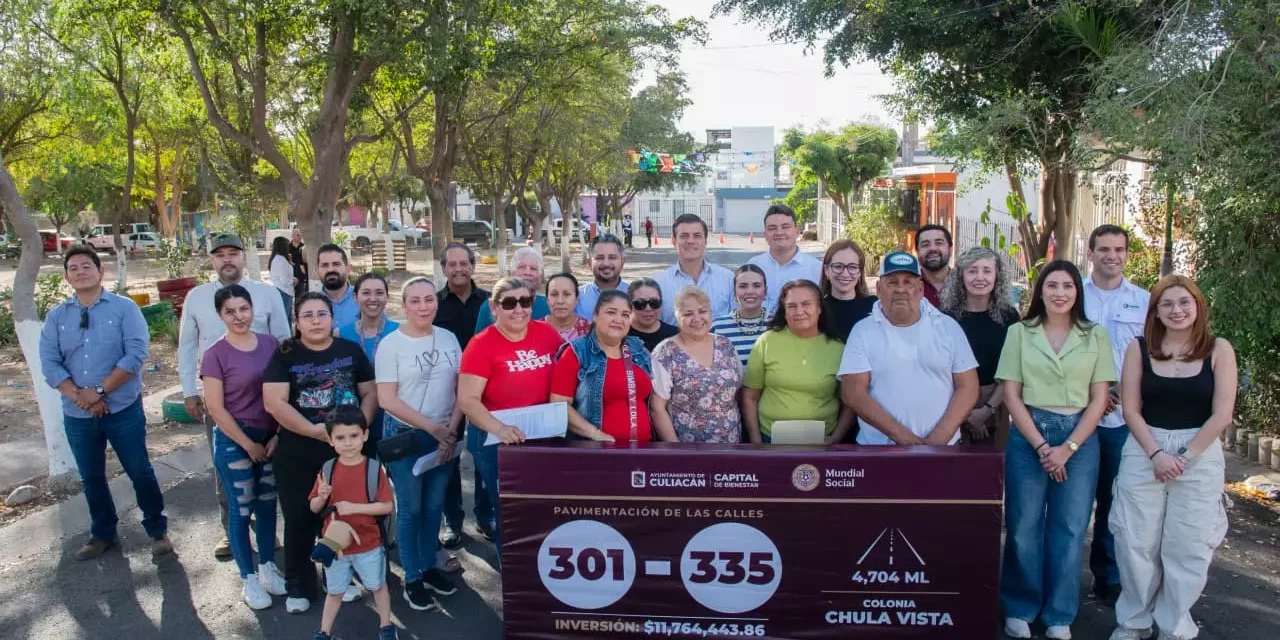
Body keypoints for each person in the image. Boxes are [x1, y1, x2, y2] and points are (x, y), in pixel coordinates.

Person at [1108, 276, 1235, 640]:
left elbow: (1222, 413)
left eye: (1184, 302)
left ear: (1198, 307)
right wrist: (1157, 453)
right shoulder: (1139, 348)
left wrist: (1183, 457)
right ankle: (1133, 621)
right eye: (1167, 304)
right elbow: (1131, 409)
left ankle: (1174, 624)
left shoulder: (1219, 349)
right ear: (1156, 312)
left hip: (1199, 450)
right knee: (1135, 542)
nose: (1177, 310)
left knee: (1189, 546)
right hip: (1145, 446)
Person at [996, 260, 1117, 640]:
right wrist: (1043, 445)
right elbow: (1011, 396)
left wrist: (1068, 448)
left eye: (1067, 285)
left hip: (1079, 437)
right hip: (1030, 434)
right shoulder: (1020, 332)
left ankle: (1059, 614)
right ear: (1040, 291)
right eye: (1052, 286)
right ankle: (1019, 606)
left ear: (1077, 292)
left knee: (1069, 528)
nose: (1060, 293)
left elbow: (1100, 400)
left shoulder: (1094, 335)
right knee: (1022, 527)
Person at [39, 247, 173, 560]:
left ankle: (157, 529)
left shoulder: (125, 308)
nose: (80, 271)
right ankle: (102, 533)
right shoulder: (57, 316)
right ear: (66, 277)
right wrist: (81, 397)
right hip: (78, 414)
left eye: (87, 265)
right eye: (73, 268)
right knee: (91, 477)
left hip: (122, 408)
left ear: (101, 272)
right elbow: (49, 362)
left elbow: (136, 353)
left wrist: (99, 391)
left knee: (139, 470)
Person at [263, 293, 377, 613]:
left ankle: (336, 578)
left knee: (337, 516)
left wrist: (357, 428)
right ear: (297, 321)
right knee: (300, 518)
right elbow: (274, 402)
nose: (315, 320)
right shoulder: (285, 354)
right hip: (298, 450)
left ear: (331, 318)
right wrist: (314, 431)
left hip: (345, 451)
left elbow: (369, 392)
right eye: (308, 315)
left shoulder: (349, 351)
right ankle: (299, 585)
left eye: (322, 314)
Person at [179, 232, 290, 559]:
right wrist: (188, 391)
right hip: (220, 401)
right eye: (220, 254)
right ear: (211, 260)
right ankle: (231, 529)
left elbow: (283, 341)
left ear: (245, 256)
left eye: (233, 253)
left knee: (268, 467)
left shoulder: (268, 294)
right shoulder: (197, 297)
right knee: (227, 469)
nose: (227, 259)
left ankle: (269, 529)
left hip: (267, 399)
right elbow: (186, 345)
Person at [375, 277, 465, 609]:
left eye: (429, 299)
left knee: (433, 507)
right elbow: (387, 399)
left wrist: (451, 430)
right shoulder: (391, 344)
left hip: (446, 435)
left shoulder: (448, 338)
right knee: (411, 509)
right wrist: (433, 429)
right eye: (415, 301)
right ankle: (411, 575)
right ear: (404, 304)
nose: (423, 306)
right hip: (407, 436)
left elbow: (461, 389)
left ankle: (428, 566)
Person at [457, 278, 564, 552]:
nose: (519, 310)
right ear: (494, 307)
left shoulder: (547, 333)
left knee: (545, 508)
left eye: (525, 302)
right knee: (511, 511)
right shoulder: (481, 345)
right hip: (499, 442)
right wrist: (499, 429)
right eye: (509, 303)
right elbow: (468, 399)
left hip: (542, 437)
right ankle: (516, 575)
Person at [200, 284, 287, 608]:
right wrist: (248, 444)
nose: (239, 317)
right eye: (230, 311)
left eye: (244, 309)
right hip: (236, 441)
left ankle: (267, 568)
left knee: (267, 504)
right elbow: (216, 408)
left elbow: (283, 393)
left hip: (270, 438)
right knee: (241, 508)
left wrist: (277, 434)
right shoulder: (215, 354)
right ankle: (248, 579)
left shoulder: (270, 345)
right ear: (221, 315)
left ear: (253, 310)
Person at [838, 251, 979, 445]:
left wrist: (938, 439)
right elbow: (853, 393)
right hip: (879, 451)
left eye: (908, 282)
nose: (900, 289)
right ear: (879, 288)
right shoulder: (863, 331)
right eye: (892, 282)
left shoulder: (947, 327)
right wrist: (903, 438)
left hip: (943, 448)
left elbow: (968, 387)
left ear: (920, 289)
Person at [1083, 224, 1150, 605]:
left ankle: (1107, 576)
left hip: (1123, 418)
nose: (1112, 255)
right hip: (1076, 414)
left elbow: (1150, 356)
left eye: (1119, 249)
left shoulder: (1144, 301)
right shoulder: (1072, 294)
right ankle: (1060, 577)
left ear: (1126, 254)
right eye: (1104, 248)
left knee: (1114, 500)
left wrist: (1116, 394)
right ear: (1090, 253)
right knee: (1071, 504)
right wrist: (1092, 397)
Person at [307, 407, 397, 640]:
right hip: (335, 546)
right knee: (335, 591)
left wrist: (355, 507)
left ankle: (386, 626)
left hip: (368, 543)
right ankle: (324, 632)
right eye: (340, 438)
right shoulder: (327, 469)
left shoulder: (375, 469)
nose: (348, 443)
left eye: (354, 436)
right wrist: (322, 496)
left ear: (365, 435)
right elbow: (313, 508)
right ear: (330, 440)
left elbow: (387, 506)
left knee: (377, 586)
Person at [433, 242, 495, 548]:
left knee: (485, 454)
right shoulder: (433, 304)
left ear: (473, 266)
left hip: (487, 391)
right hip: (446, 391)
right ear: (443, 268)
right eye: (452, 264)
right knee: (449, 453)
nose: (458, 268)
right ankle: (452, 520)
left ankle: (486, 515)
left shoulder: (490, 302)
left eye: (464, 263)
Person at [742, 280, 853, 445]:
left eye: (806, 304)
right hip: (770, 440)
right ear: (784, 312)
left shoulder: (839, 349)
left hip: (823, 442)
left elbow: (850, 402)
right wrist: (756, 441)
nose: (799, 311)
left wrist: (836, 437)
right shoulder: (766, 342)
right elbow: (750, 396)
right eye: (792, 306)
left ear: (819, 308)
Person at [939, 246, 1021, 448]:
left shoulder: (1009, 317)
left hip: (998, 403)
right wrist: (966, 413)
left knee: (993, 471)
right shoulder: (946, 318)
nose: (980, 277)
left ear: (996, 276)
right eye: (972, 271)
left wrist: (987, 410)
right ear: (961, 277)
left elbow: (1013, 368)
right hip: (952, 403)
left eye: (987, 271)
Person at [650, 286, 741, 443]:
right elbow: (657, 408)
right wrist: (676, 451)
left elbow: (738, 391)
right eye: (688, 314)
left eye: (702, 311)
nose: (697, 318)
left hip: (732, 445)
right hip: (688, 451)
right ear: (677, 317)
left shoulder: (726, 345)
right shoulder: (665, 352)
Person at [337, 272, 399, 458]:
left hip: (394, 416)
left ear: (387, 297)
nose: (373, 299)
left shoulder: (399, 332)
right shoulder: (340, 334)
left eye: (379, 293)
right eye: (366, 293)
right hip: (355, 418)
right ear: (355, 297)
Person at [655, 214, 735, 324]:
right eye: (684, 236)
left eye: (697, 236)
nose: (691, 241)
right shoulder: (659, 284)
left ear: (705, 241)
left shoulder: (728, 278)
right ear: (673, 241)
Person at [747, 204, 822, 314]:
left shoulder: (816, 268)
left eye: (785, 227)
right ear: (765, 234)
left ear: (797, 232)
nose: (779, 232)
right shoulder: (753, 266)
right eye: (772, 228)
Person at [475, 246, 550, 332]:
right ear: (512, 272)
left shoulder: (549, 306)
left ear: (540, 276)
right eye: (521, 267)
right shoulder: (490, 307)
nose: (527, 272)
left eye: (533, 268)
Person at [711, 264, 770, 366]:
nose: (750, 291)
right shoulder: (717, 327)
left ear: (765, 291)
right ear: (734, 292)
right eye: (743, 286)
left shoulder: (778, 324)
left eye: (756, 285)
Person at [820, 239, 878, 342]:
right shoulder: (817, 310)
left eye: (852, 267)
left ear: (860, 272)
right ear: (826, 270)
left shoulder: (875, 307)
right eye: (838, 266)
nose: (845, 274)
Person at [575, 234, 628, 319]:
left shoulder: (634, 296)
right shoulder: (577, 297)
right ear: (589, 263)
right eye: (599, 258)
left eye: (612, 257)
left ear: (622, 262)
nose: (606, 263)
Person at [627, 277, 679, 352]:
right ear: (629, 305)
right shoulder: (619, 335)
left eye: (654, 303)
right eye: (641, 303)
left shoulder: (676, 335)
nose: (648, 308)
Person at [317, 243, 360, 328]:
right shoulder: (310, 304)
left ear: (348, 269)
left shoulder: (364, 299)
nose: (330, 269)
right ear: (317, 271)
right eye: (325, 265)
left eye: (336, 264)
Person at [545, 273, 593, 342]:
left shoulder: (590, 330)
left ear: (577, 299)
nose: (560, 301)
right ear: (547, 300)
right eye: (554, 294)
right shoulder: (534, 329)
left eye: (567, 294)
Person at [915, 224, 953, 307]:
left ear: (950, 249)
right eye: (925, 244)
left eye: (939, 243)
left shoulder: (965, 284)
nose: (932, 248)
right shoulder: (910, 286)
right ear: (917, 252)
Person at [269, 236, 296, 328]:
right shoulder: (280, 260)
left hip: (286, 292)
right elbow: (285, 280)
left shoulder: (280, 259)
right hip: (284, 292)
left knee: (287, 318)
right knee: (284, 319)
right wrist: (294, 280)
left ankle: (288, 338)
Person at [290, 228, 309, 299]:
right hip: (289, 276)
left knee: (300, 297)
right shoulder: (287, 247)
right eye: (298, 235)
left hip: (301, 276)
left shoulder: (304, 247)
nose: (300, 237)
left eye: (301, 235)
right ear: (293, 236)